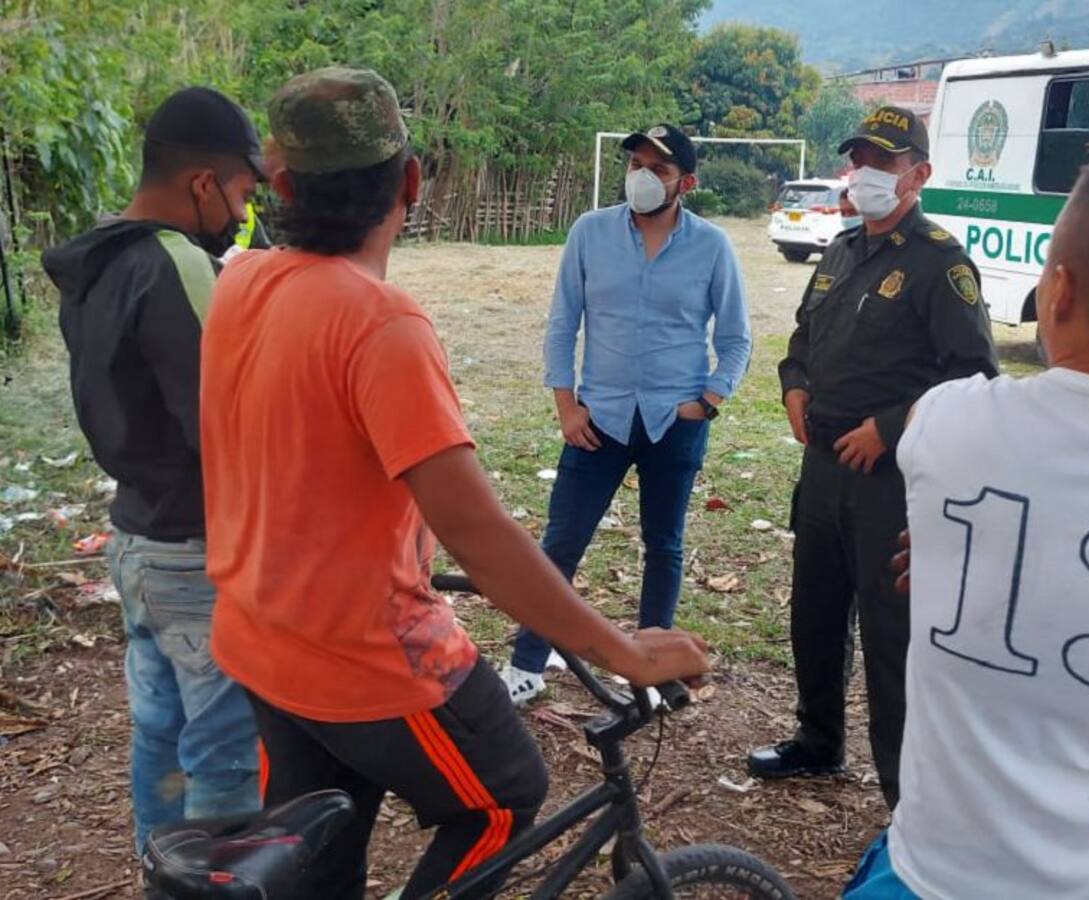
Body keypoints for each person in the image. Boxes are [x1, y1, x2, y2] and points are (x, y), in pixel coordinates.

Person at [199, 68, 710, 900]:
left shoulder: (239, 283)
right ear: (410, 179)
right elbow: (476, 531)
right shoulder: (380, 322)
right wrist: (622, 652)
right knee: (506, 797)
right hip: (367, 658)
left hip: (259, 643)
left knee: (320, 856)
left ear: (281, 183)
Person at [845, 152, 1089, 899]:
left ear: (1059, 290)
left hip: (936, 875)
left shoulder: (949, 423)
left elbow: (931, 429)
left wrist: (973, 555)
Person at [747, 106, 999, 808]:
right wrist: (793, 386)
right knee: (815, 615)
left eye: (883, 163)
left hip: (891, 479)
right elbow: (803, 339)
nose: (866, 174)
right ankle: (817, 741)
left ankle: (905, 795)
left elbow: (975, 377)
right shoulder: (841, 247)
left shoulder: (940, 263)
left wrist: (888, 429)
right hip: (823, 468)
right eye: (860, 159)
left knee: (893, 642)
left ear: (918, 174)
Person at [41, 86, 265, 855]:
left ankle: (161, 873)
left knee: (160, 740)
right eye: (240, 191)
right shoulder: (176, 264)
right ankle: (215, 878)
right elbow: (226, 428)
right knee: (224, 754)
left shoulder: (99, 258)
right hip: (199, 554)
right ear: (203, 182)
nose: (244, 214)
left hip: (135, 536)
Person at [500, 124, 752, 704]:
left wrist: (708, 401)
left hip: (674, 423)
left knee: (664, 544)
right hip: (598, 421)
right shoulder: (590, 233)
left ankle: (652, 672)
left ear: (685, 183)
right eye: (636, 164)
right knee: (561, 543)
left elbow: (736, 338)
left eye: (657, 169)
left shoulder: (712, 246)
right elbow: (563, 325)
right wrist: (566, 407)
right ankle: (525, 668)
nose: (641, 177)